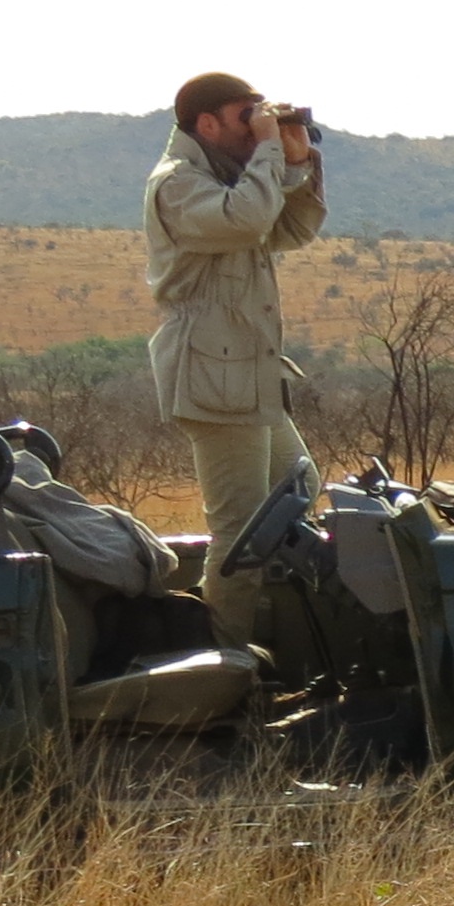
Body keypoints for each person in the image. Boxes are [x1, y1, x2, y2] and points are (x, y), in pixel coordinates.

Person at [144, 71, 326, 577]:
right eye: (244, 117)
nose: (255, 128)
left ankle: (271, 631)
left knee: (297, 491)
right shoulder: (178, 183)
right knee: (242, 533)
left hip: (248, 371)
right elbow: (246, 218)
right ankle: (229, 647)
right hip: (214, 375)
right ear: (206, 123)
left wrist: (296, 161)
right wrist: (268, 149)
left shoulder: (226, 177)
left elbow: (289, 230)